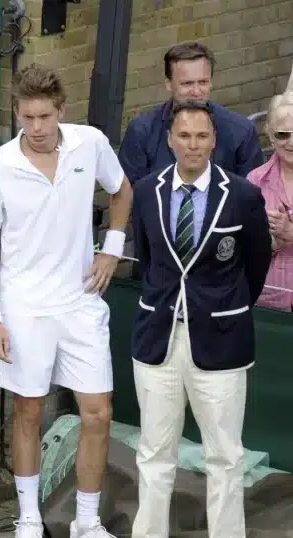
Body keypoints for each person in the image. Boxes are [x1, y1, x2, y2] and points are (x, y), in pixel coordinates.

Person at [0, 63, 132, 538]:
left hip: (81, 302)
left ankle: (86, 521)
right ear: (18, 114)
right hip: (23, 307)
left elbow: (122, 191)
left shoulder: (91, 143)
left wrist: (111, 250)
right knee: (27, 410)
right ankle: (26, 518)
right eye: (27, 118)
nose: (36, 128)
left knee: (98, 412)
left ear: (61, 111)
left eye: (44, 117)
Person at [129, 100, 272, 538]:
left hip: (222, 341)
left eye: (202, 136)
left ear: (215, 140)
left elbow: (256, 263)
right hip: (158, 338)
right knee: (154, 454)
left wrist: (225, 309)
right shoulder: (148, 189)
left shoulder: (243, 194)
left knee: (226, 457)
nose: (193, 145)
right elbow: (149, 261)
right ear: (170, 140)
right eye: (184, 136)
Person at [119, 42, 265, 184]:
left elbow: (251, 198)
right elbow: (129, 196)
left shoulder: (241, 131)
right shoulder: (141, 132)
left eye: (203, 82)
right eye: (187, 84)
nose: (196, 92)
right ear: (168, 84)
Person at [247, 89, 293, 312]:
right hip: (267, 303)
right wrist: (268, 241)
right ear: (269, 134)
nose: (291, 143)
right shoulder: (255, 181)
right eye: (283, 134)